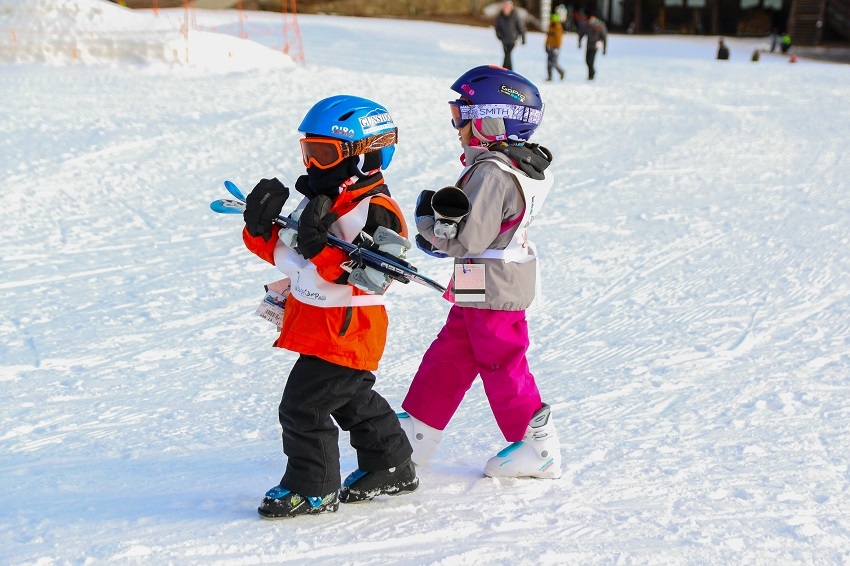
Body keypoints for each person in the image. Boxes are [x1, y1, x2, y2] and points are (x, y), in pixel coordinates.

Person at [241, 95, 418, 518]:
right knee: (350, 399)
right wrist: (258, 228)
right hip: (321, 324)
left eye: (324, 155)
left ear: (366, 156)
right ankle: (391, 464)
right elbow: (288, 256)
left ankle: (313, 486)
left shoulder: (378, 210)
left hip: (349, 330)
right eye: (309, 152)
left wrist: (322, 246)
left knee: (304, 406)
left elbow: (370, 275)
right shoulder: (323, 201)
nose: (312, 166)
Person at [398, 65, 562, 480]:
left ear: (492, 120)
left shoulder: (492, 172)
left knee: (501, 361)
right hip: (482, 282)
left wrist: (426, 226)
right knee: (451, 353)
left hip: (496, 287)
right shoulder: (501, 164)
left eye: (463, 115)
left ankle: (537, 445)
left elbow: (467, 238)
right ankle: (419, 428)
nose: (457, 125)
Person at [494, 0, 526, 71]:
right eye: (504, 6)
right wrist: (499, 35)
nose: (506, 8)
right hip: (504, 39)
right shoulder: (500, 16)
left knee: (508, 55)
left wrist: (523, 38)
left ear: (511, 7)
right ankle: (506, 70)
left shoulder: (515, 15)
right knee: (506, 55)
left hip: (512, 39)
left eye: (507, 6)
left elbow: (521, 27)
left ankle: (506, 70)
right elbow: (497, 27)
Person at [584, 14, 607, 80]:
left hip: (595, 46)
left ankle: (591, 75)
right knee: (587, 61)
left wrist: (604, 48)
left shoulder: (600, 26)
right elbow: (583, 32)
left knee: (591, 61)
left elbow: (604, 37)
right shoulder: (589, 25)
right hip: (589, 45)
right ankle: (591, 73)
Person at [545, 13, 566, 81]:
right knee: (549, 63)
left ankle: (561, 72)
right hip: (550, 47)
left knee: (554, 63)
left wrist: (557, 47)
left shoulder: (558, 28)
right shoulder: (550, 27)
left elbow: (559, 39)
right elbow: (548, 38)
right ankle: (549, 76)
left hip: (555, 48)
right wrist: (546, 45)